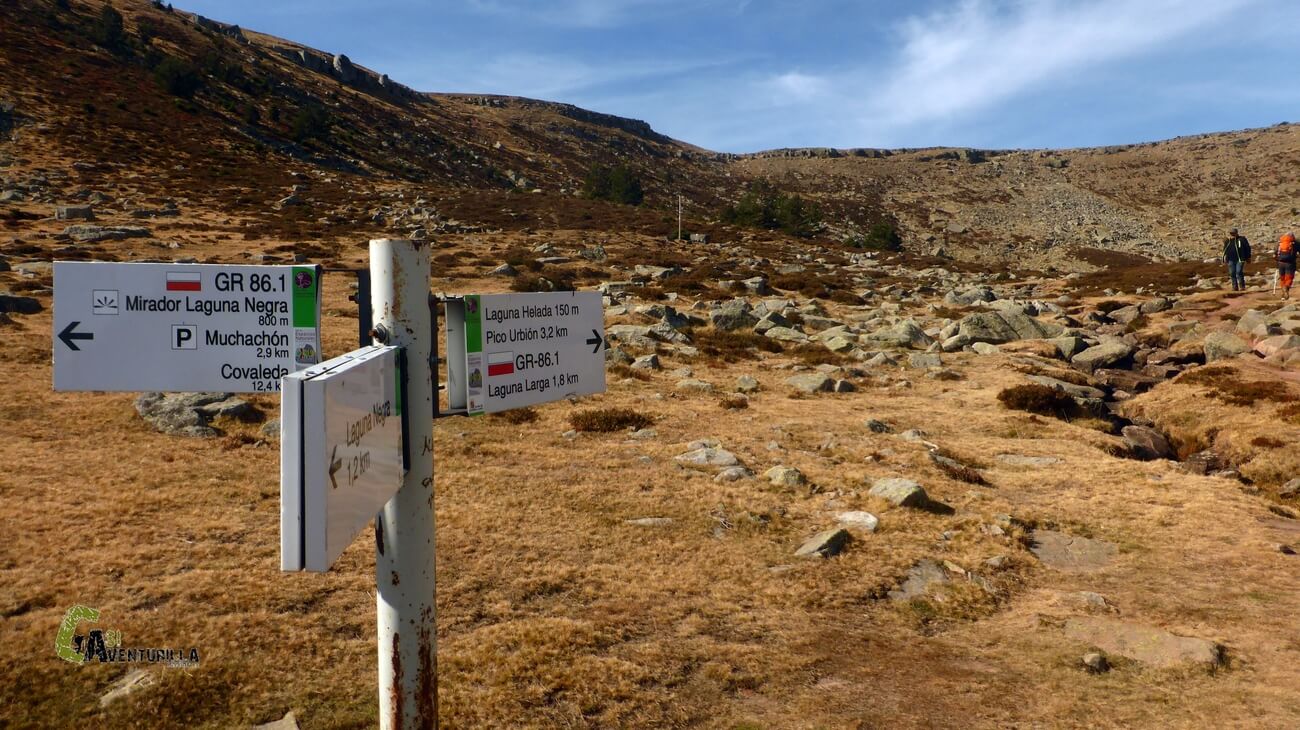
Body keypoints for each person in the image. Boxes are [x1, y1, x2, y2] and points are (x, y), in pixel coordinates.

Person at [1277, 232, 1298, 300]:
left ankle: (1283, 295)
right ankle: (1286, 288)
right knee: (1289, 278)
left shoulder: (1280, 242)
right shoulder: (1295, 243)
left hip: (1280, 263)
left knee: (1282, 278)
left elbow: (1275, 253)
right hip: (1290, 263)